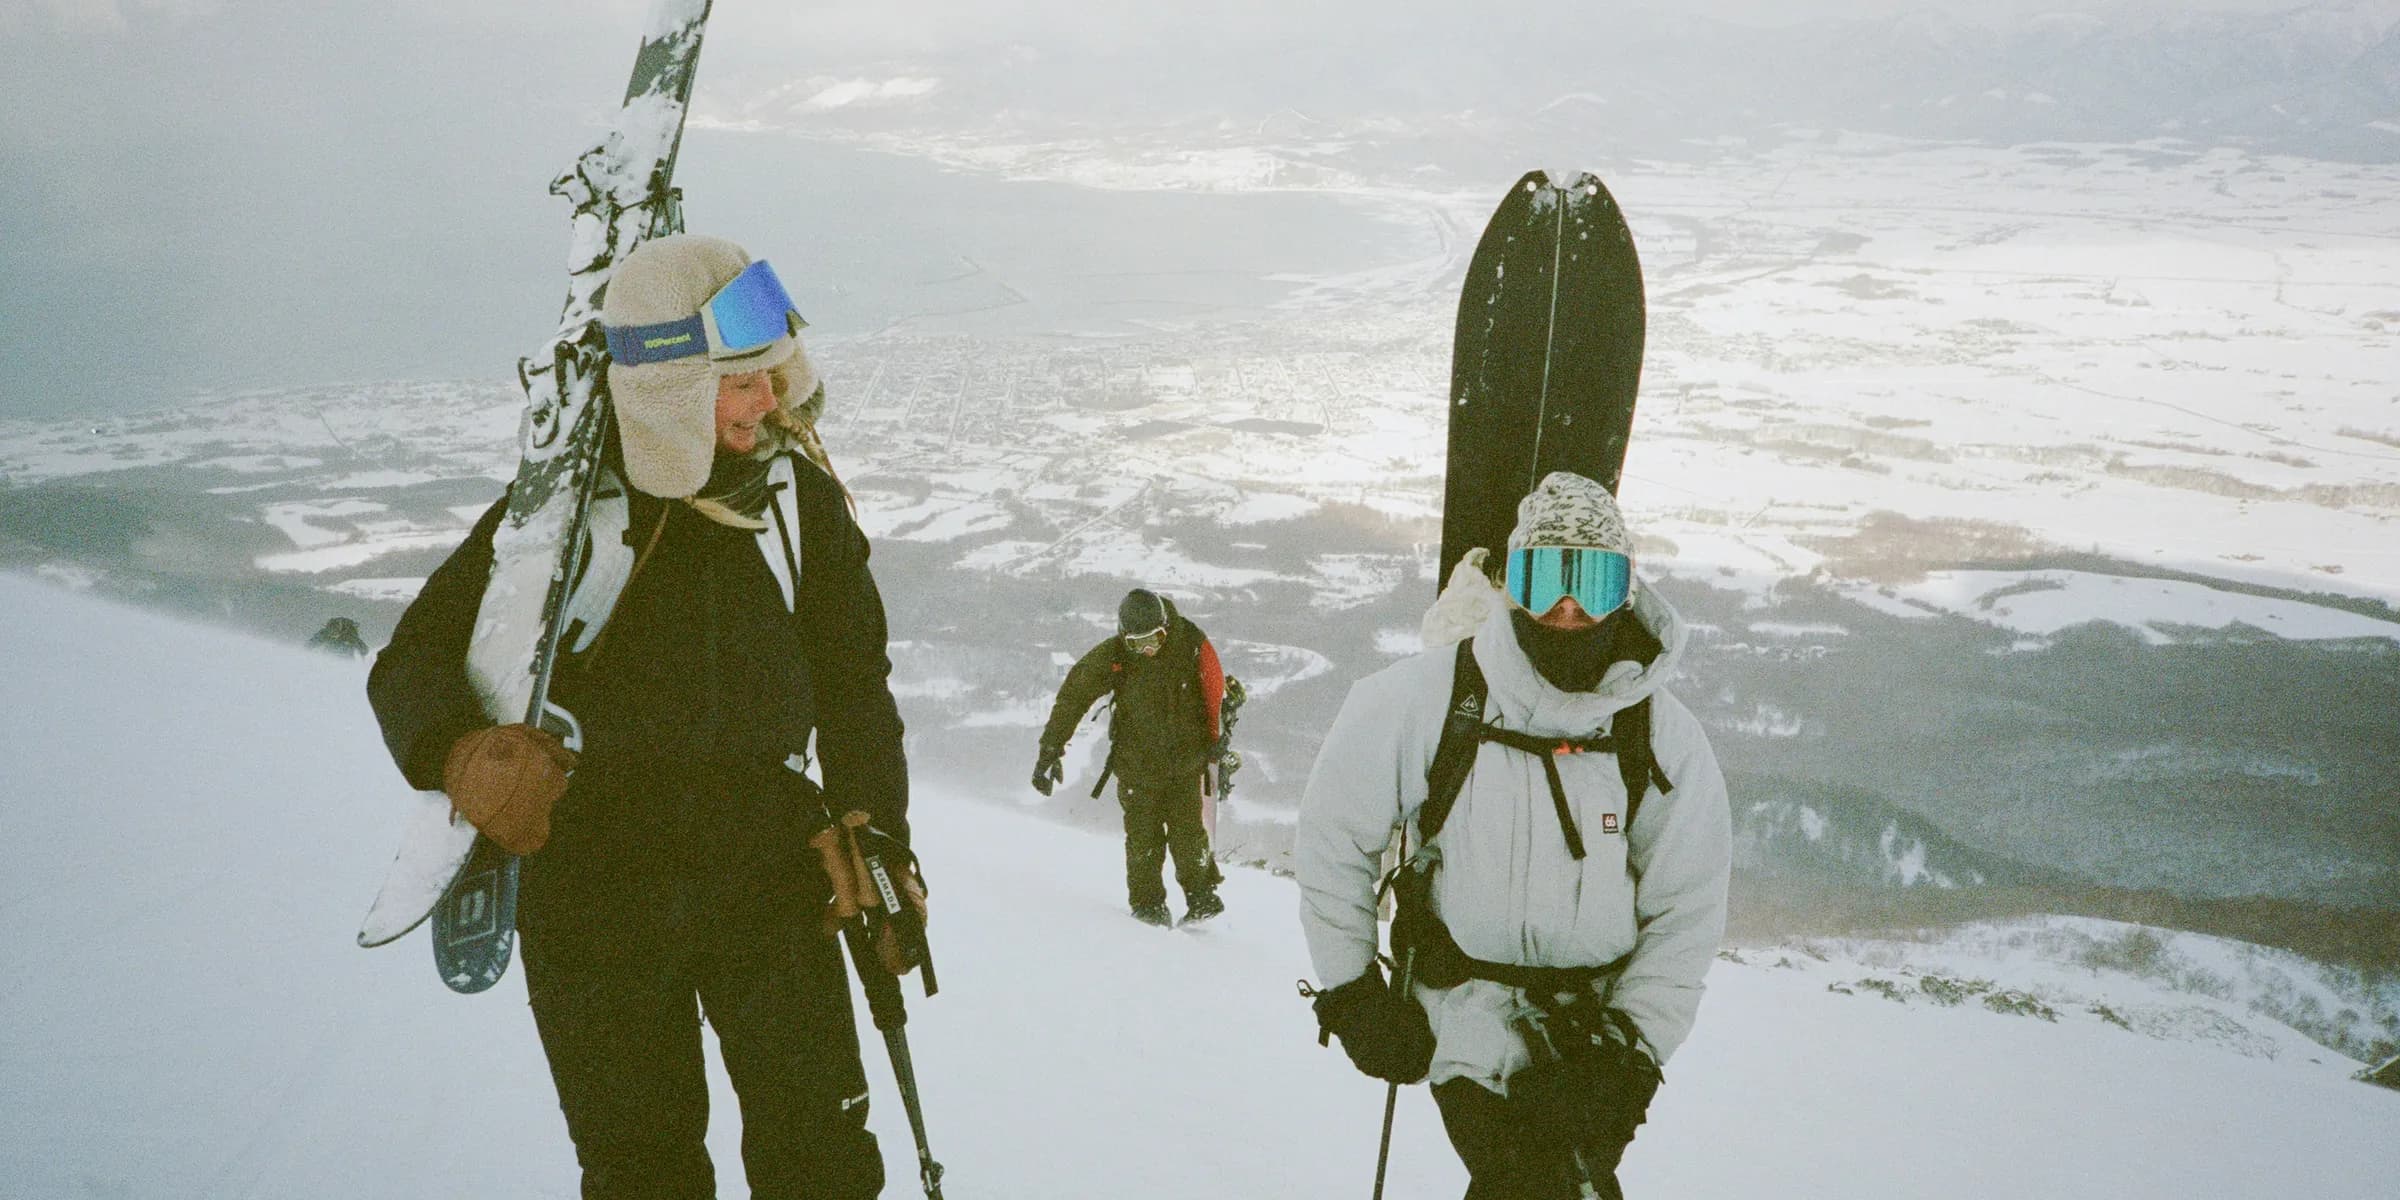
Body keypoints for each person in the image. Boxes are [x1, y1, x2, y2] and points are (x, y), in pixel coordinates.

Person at [366, 234, 915, 1200]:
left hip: (768, 869)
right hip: (593, 887)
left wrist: (877, 831)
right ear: (669, 388)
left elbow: (854, 686)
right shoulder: (559, 521)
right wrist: (460, 752)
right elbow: (410, 663)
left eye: (773, 377)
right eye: (740, 383)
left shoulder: (798, 503)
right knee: (642, 1173)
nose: (769, 403)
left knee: (823, 1163)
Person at [1296, 471, 1731, 1200]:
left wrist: (1633, 1050)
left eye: (1590, 581)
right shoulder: (1427, 700)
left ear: (1625, 591)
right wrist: (1353, 992)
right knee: (1537, 1185)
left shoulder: (1659, 735)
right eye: (1541, 580)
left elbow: (1686, 907)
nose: (1565, 610)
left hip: (1596, 1033)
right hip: (1463, 1016)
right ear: (1509, 587)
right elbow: (1334, 837)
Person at [1033, 587, 1229, 927]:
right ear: (1125, 637)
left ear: (1166, 626)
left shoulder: (1191, 643)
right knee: (1143, 842)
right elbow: (1073, 697)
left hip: (1185, 765)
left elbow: (1215, 693)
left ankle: (1203, 902)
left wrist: (1216, 744)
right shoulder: (1116, 656)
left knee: (1188, 837)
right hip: (1137, 769)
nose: (1150, 649)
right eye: (1140, 643)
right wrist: (1050, 750)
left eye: (1156, 638)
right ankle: (1148, 909)